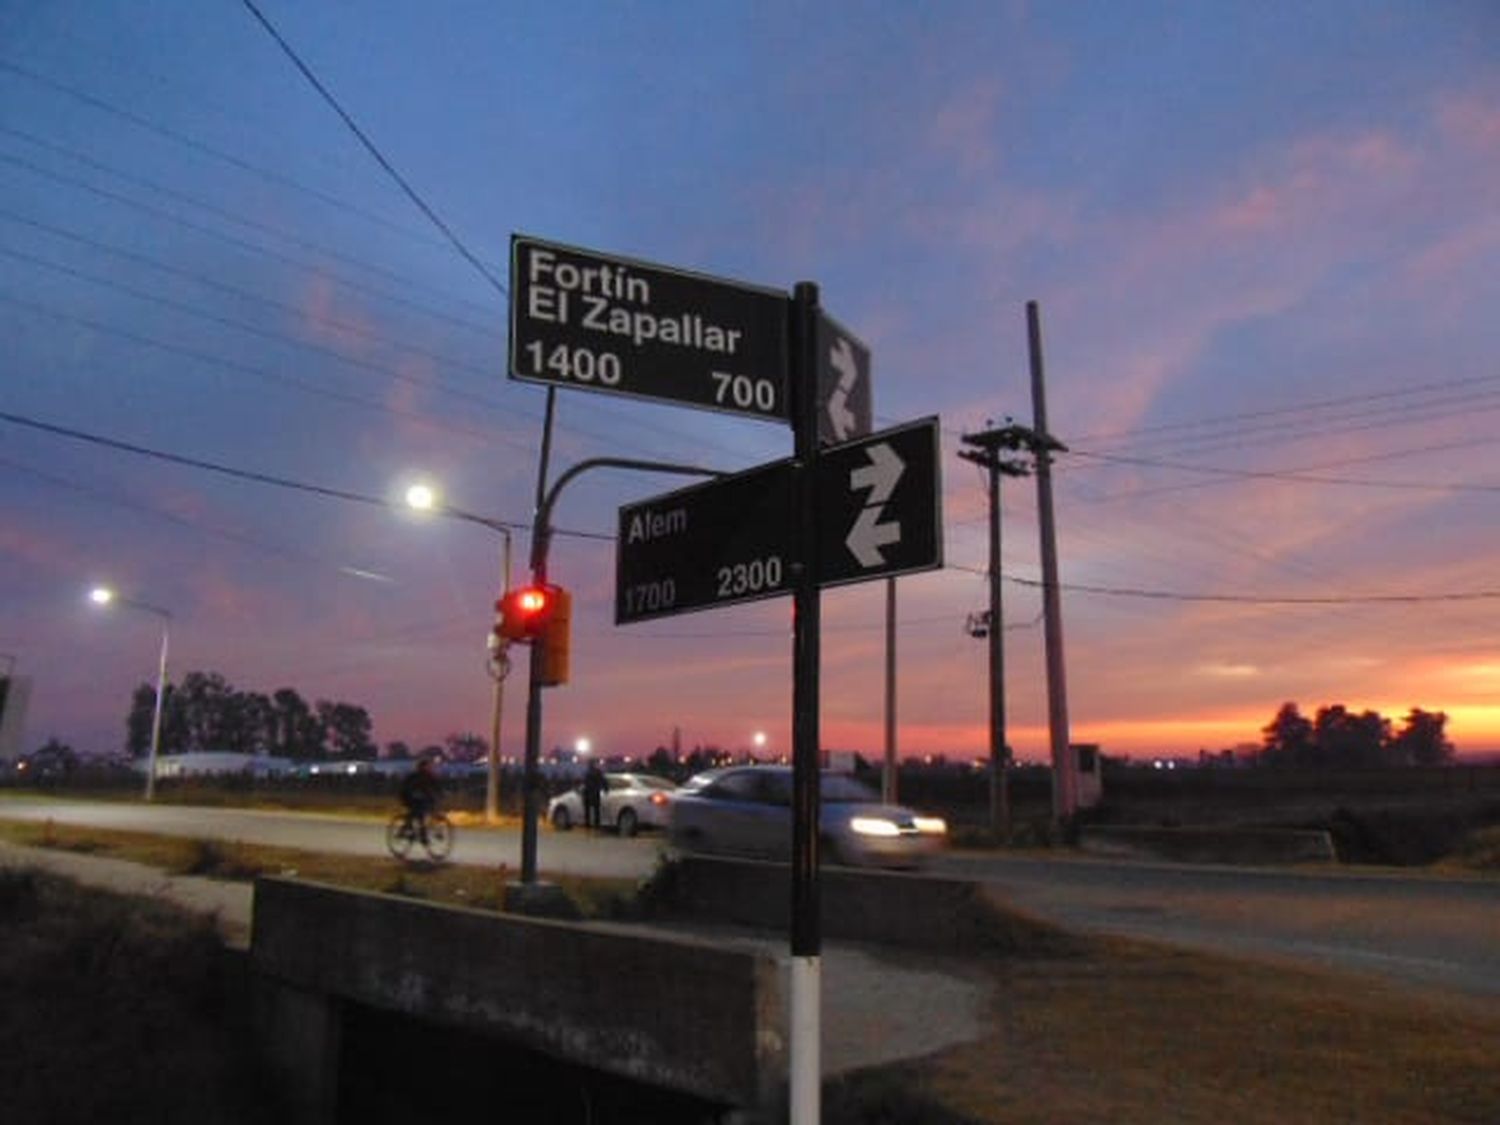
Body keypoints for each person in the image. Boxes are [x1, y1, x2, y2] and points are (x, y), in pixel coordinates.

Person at [399, 757, 441, 842]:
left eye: (429, 766)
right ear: (421, 767)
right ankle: (407, 831)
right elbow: (406, 788)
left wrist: (442, 793)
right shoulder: (414, 776)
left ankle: (422, 834)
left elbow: (436, 786)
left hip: (421, 799)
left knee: (425, 811)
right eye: (426, 766)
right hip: (410, 798)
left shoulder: (429, 776)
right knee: (417, 813)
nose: (428, 768)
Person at [582, 759, 605, 831]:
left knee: (587, 810)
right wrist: (605, 789)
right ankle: (596, 825)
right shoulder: (598, 772)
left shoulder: (587, 773)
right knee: (596, 810)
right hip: (595, 793)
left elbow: (584, 783)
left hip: (588, 793)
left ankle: (587, 825)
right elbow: (603, 781)